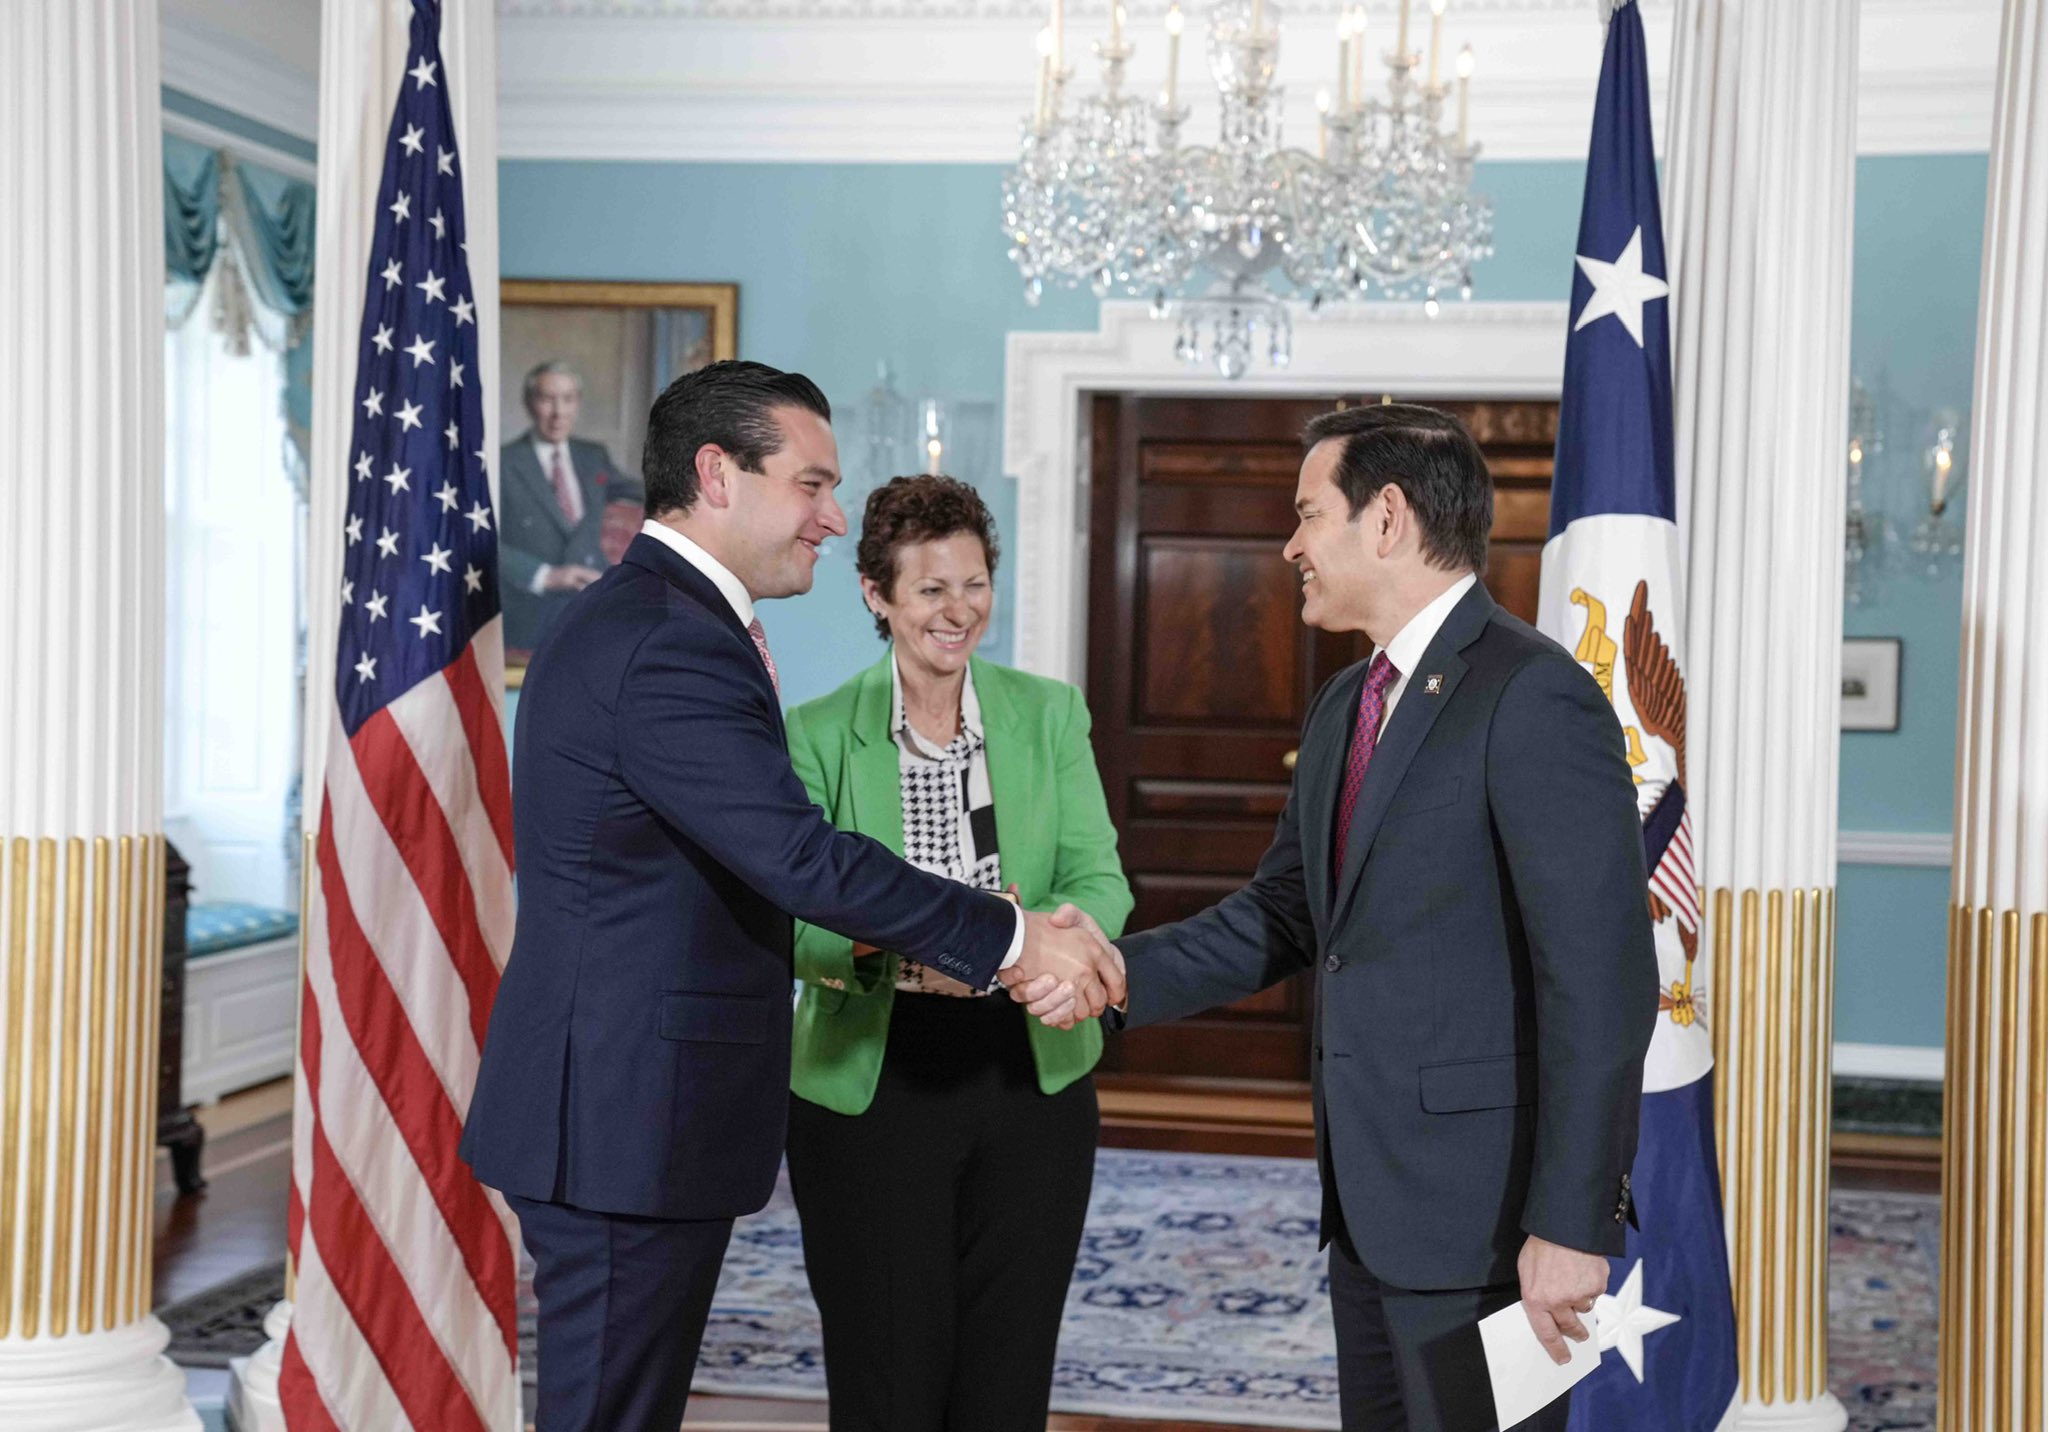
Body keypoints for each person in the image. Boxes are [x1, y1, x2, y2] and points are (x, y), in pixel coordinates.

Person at [459, 360, 1125, 1432]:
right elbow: (803, 860)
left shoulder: (666, 618)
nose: (831, 517)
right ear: (718, 475)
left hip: (633, 1109)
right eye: (811, 485)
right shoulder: (666, 640)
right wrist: (1010, 937)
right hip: (622, 1116)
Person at [1027, 403, 1658, 1431]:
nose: (1290, 545)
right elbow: (1286, 912)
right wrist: (1115, 971)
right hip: (1368, 1210)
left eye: (1307, 513)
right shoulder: (1345, 704)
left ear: (1387, 518)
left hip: (1491, 1223)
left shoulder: (1531, 695)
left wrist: (1572, 1221)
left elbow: (1601, 979)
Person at [782, 475, 1133, 1432]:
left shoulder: (1049, 713)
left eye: (974, 584)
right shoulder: (816, 734)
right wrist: (920, 927)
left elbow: (1100, 879)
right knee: (890, 1378)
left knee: (1007, 1379)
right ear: (877, 594)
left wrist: (1051, 939)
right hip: (874, 1085)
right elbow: (792, 925)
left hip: (1032, 1076)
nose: (959, 610)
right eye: (931, 588)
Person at [499, 360, 645, 651]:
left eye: (568, 399)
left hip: (598, 602)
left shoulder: (592, 456)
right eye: (547, 399)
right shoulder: (503, 462)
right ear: (529, 403)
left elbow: (640, 491)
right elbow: (480, 542)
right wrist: (545, 575)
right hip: (533, 613)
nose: (559, 412)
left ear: (577, 403)